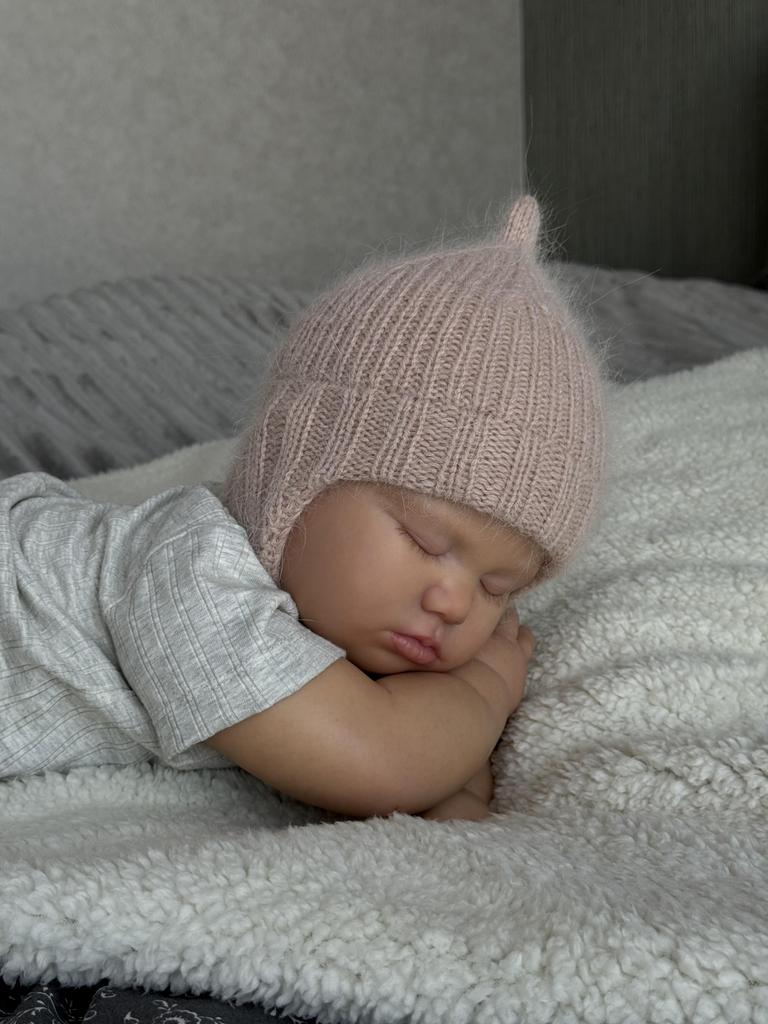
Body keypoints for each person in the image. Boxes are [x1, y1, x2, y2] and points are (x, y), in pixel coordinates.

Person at [0, 194, 608, 822]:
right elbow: (384, 765)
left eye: (496, 588)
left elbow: (438, 780)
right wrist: (485, 688)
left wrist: (454, 752)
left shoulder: (346, 625)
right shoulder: (194, 572)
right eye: (424, 542)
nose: (453, 604)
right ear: (295, 479)